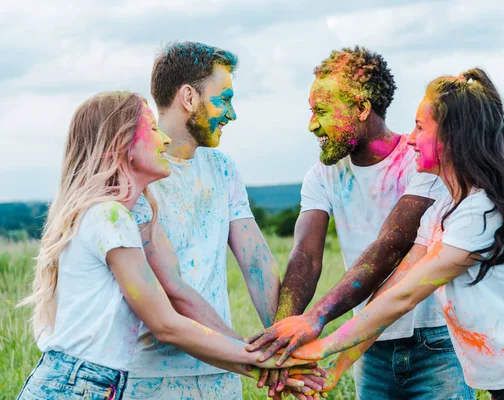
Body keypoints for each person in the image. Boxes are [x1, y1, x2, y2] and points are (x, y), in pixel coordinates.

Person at [292, 68, 504, 399]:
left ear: (451, 137)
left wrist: (319, 346)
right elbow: (391, 293)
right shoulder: (441, 214)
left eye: (420, 127)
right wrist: (339, 363)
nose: (409, 138)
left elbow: (406, 295)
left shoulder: (481, 214)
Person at [17, 92, 308, 400]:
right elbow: (166, 324)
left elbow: (177, 292)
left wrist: (258, 364)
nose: (164, 140)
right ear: (122, 144)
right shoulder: (109, 216)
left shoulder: (123, 217)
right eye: (152, 129)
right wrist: (262, 359)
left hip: (92, 384)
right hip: (75, 386)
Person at [247, 46, 473, 399]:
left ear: (362, 108)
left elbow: (390, 246)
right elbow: (306, 256)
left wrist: (316, 318)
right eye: (311, 112)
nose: (312, 125)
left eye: (321, 111)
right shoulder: (322, 175)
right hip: (367, 345)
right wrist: (284, 340)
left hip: (435, 343)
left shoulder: (421, 162)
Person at [122, 42, 324, 400]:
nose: (231, 114)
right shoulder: (137, 173)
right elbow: (173, 292)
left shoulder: (223, 168)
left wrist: (282, 346)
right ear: (188, 96)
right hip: (149, 379)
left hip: (220, 375)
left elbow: (257, 263)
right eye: (224, 99)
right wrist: (262, 358)